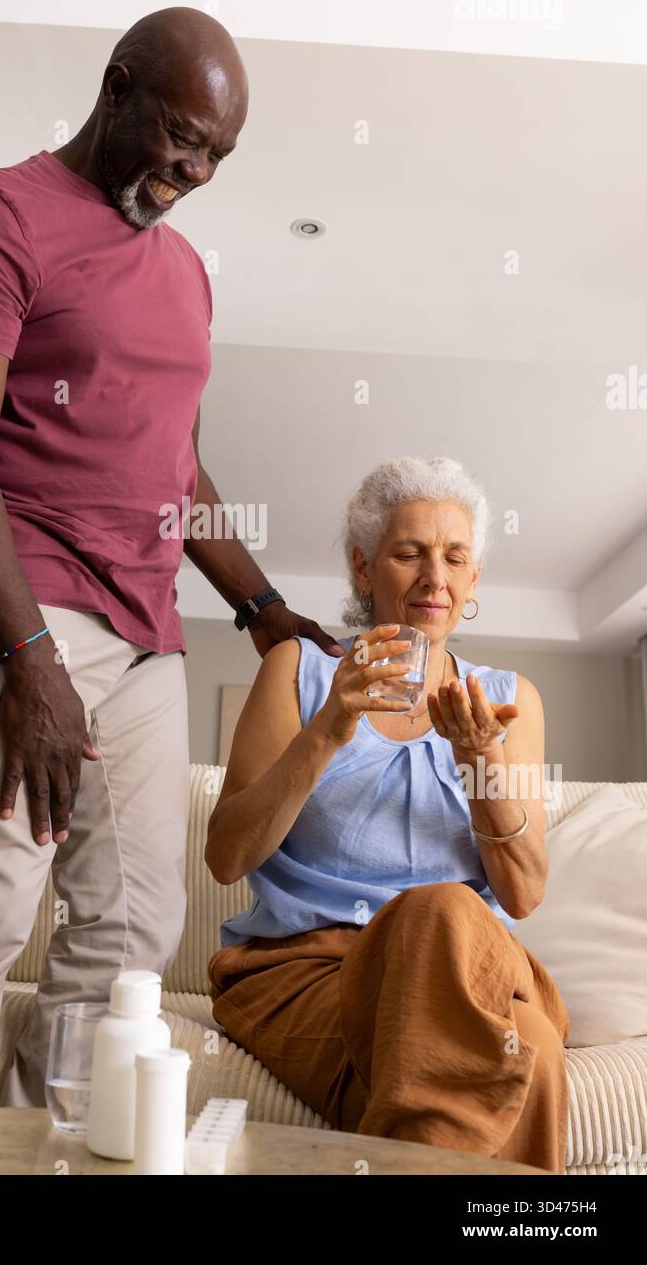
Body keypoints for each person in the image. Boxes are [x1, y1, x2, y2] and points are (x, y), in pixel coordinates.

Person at [0, 6, 343, 1111]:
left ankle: (44, 1154)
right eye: (181, 135)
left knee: (128, 936)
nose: (195, 168)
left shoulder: (185, 276)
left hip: (147, 634)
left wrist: (261, 606)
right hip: (24, 609)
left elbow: (179, 467)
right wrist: (29, 661)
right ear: (116, 87)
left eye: (217, 154)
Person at [205, 456, 570, 1172]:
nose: (434, 576)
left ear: (472, 581)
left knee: (440, 915)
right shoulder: (296, 670)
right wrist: (327, 732)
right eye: (408, 553)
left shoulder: (509, 701)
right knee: (528, 1048)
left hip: (470, 968)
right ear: (364, 568)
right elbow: (225, 856)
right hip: (312, 972)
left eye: (454, 557)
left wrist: (479, 765)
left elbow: (523, 893)